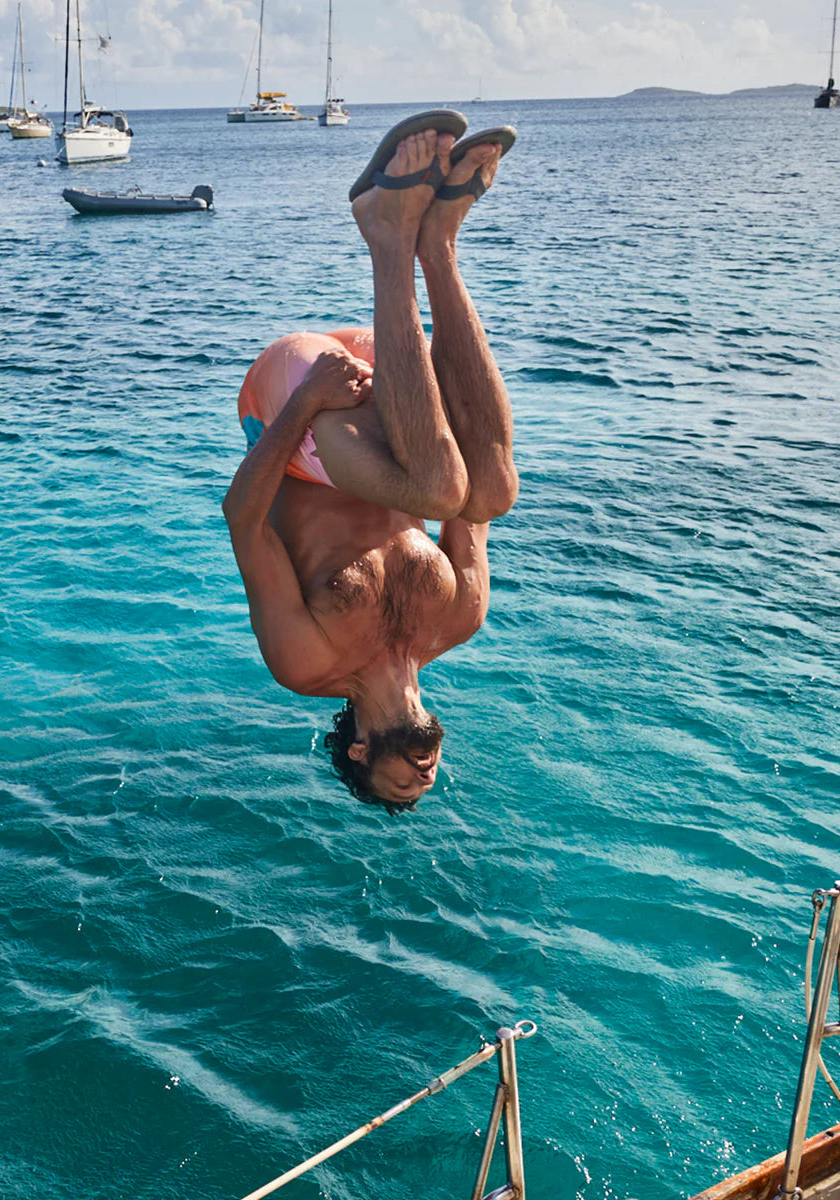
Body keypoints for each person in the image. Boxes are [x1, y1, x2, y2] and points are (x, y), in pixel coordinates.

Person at [223, 111, 518, 811]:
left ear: (359, 752)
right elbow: (474, 472)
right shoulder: (460, 617)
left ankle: (387, 231)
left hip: (296, 403)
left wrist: (300, 408)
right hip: (392, 385)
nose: (423, 778)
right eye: (426, 783)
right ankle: (439, 241)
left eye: (399, 787)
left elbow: (245, 519)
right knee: (490, 492)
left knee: (441, 487)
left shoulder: (307, 662)